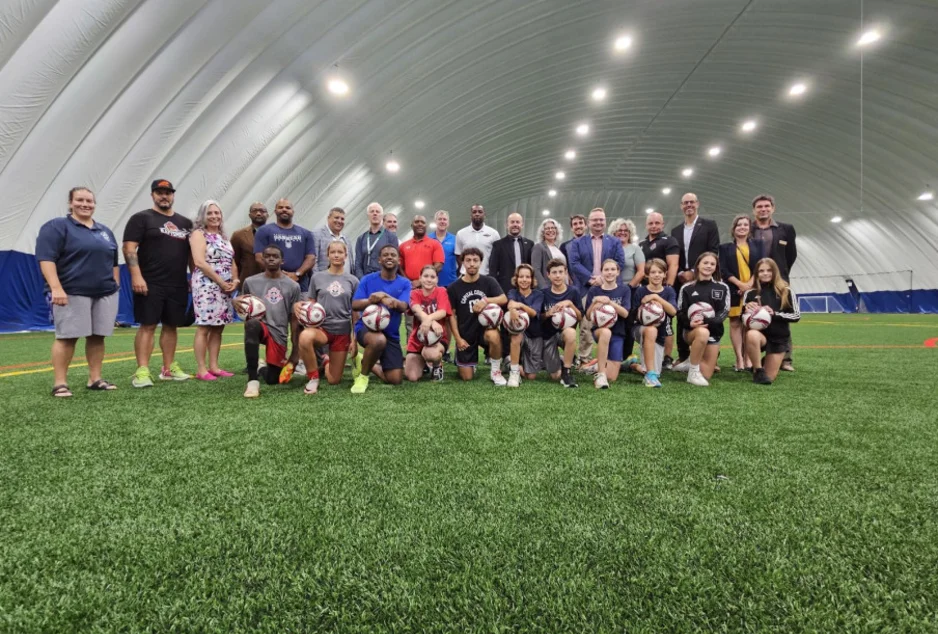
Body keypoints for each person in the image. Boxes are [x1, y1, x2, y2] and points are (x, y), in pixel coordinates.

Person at [37, 186, 120, 397]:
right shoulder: (57, 227)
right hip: (72, 291)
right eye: (80, 200)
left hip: (104, 292)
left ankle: (95, 379)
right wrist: (56, 288)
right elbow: (46, 259)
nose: (85, 204)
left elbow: (114, 262)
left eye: (89, 201)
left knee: (98, 337)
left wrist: (115, 286)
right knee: (67, 337)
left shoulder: (105, 231)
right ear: (70, 203)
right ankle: (60, 383)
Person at [123, 178, 194, 387]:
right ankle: (142, 370)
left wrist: (192, 277)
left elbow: (191, 254)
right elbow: (129, 249)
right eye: (159, 192)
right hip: (150, 282)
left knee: (172, 326)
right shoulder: (141, 219)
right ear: (152, 195)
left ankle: (168, 368)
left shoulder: (185, 223)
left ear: (173, 195)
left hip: (178, 284)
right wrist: (136, 276)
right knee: (148, 326)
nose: (164, 196)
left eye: (168, 192)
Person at [293, 240, 359, 393]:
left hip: (342, 332)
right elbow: (310, 304)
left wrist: (354, 340)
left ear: (346, 255)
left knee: (333, 380)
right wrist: (298, 305)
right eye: (333, 252)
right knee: (305, 337)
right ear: (328, 255)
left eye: (340, 252)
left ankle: (326, 360)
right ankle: (313, 378)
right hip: (322, 329)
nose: (336, 255)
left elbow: (355, 313)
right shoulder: (317, 278)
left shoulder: (353, 280)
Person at [240, 245, 302, 398]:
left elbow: (294, 321)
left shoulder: (293, 286)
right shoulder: (250, 282)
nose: (271, 259)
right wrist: (236, 301)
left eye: (275, 256)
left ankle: (261, 368)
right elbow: (244, 308)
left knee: (273, 379)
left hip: (278, 333)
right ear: (262, 259)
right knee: (252, 324)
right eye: (268, 256)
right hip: (260, 327)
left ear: (282, 260)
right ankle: (252, 381)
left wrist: (295, 353)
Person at [567, 208, 625, 373]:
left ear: (605, 221)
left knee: (610, 322)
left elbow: (620, 261)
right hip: (586, 288)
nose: (598, 222)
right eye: (594, 220)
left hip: (610, 288)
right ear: (588, 223)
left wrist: (606, 278)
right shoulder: (578, 242)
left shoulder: (614, 241)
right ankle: (584, 359)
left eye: (601, 219)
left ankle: (606, 358)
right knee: (586, 325)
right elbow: (574, 264)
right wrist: (592, 278)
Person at [350, 245, 411, 393]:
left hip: (391, 335)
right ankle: (363, 377)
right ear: (379, 260)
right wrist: (371, 300)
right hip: (366, 330)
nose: (389, 257)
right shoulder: (367, 279)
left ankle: (364, 361)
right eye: (385, 255)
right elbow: (355, 304)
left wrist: (387, 297)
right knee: (378, 340)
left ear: (398, 261)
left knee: (395, 379)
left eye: (393, 255)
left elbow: (403, 306)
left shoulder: (404, 283)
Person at [190, 200, 238, 381]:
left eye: (217, 213)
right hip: (206, 286)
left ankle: (214, 366)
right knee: (204, 327)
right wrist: (220, 282)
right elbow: (200, 262)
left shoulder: (224, 237)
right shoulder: (198, 234)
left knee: (218, 327)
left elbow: (232, 261)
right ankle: (202, 369)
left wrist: (235, 280)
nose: (214, 216)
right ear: (203, 216)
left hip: (225, 287)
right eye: (209, 213)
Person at [670, 193, 720, 367]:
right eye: (685, 203)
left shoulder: (709, 225)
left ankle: (711, 356)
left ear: (697, 204)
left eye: (691, 202)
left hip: (702, 278)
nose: (688, 205)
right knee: (682, 315)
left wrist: (694, 271)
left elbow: (713, 251)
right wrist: (681, 274)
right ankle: (683, 355)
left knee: (707, 313)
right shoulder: (675, 230)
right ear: (681, 206)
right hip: (681, 281)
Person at [446, 247, 508, 385]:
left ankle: (495, 371)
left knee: (494, 335)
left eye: (475, 260)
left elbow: (503, 298)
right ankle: (465, 361)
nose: (472, 264)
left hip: (485, 330)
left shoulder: (489, 281)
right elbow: (451, 316)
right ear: (462, 263)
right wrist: (458, 339)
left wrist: (486, 300)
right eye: (468, 260)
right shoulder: (453, 287)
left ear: (480, 263)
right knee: (467, 377)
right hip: (466, 333)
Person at [751, 194, 798, 372]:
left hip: (779, 280)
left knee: (782, 316)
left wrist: (779, 276)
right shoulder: (748, 229)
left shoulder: (786, 229)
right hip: (755, 281)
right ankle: (751, 357)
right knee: (751, 315)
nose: (763, 209)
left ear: (773, 208)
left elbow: (791, 255)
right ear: (754, 210)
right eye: (759, 207)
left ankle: (786, 358)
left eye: (766, 206)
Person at [675, 252, 730, 387]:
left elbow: (724, 311)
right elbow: (680, 312)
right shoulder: (687, 288)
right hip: (691, 331)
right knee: (702, 332)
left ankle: (691, 361)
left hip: (714, 332)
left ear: (716, 267)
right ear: (698, 265)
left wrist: (708, 320)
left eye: (712, 264)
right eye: (705, 263)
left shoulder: (722, 287)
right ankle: (693, 373)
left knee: (706, 375)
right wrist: (690, 323)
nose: (708, 266)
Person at [743, 258, 801, 385]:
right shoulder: (750, 293)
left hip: (778, 338)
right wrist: (747, 310)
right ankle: (758, 369)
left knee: (769, 377)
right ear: (756, 273)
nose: (765, 273)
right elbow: (743, 319)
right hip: (761, 336)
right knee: (751, 334)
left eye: (769, 270)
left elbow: (796, 316)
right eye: (761, 271)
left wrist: (773, 314)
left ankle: (765, 362)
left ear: (775, 272)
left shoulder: (786, 291)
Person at [639, 212, 680, 369]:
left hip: (662, 287)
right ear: (646, 225)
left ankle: (667, 357)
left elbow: (673, 264)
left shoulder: (669, 240)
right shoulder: (642, 244)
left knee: (666, 322)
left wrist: (667, 286)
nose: (654, 226)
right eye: (651, 223)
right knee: (648, 320)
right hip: (646, 288)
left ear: (662, 224)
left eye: (657, 223)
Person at [719, 215, 759, 371]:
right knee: (735, 323)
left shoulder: (758, 245)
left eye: (745, 225)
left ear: (749, 228)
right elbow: (723, 269)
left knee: (749, 323)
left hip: (753, 289)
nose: (742, 227)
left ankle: (748, 358)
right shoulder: (725, 248)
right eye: (739, 225)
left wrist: (749, 284)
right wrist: (740, 284)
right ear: (733, 228)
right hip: (734, 289)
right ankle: (739, 359)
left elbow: (761, 265)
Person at [584, 259, 631, 389]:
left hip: (618, 333)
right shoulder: (594, 290)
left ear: (618, 272)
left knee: (612, 377)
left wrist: (609, 303)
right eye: (606, 270)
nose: (609, 273)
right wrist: (594, 303)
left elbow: (625, 314)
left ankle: (595, 364)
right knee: (605, 331)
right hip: (599, 331)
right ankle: (600, 375)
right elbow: (588, 316)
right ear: (601, 272)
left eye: (612, 269)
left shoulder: (624, 290)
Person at [631, 259, 677, 388]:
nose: (656, 275)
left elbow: (673, 312)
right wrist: (645, 308)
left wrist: (656, 298)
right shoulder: (641, 291)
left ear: (665, 274)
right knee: (651, 330)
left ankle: (633, 365)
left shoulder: (669, 291)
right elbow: (634, 315)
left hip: (661, 333)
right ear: (647, 275)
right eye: (653, 272)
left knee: (657, 372)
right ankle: (649, 374)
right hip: (640, 329)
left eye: (660, 272)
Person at [253, 198, 316, 293]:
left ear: (293, 212)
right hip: (272, 281)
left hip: (299, 282)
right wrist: (279, 275)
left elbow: (311, 258)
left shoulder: (305, 233)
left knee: (300, 307)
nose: (284, 209)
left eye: (288, 208)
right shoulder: (263, 231)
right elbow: (259, 257)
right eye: (280, 207)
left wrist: (297, 274)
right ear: (275, 211)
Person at [399, 214, 445, 340]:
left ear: (426, 225)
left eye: (422, 222)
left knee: (430, 318)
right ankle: (411, 351)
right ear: (411, 225)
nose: (419, 224)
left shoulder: (434, 244)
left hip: (429, 290)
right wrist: (409, 282)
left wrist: (422, 281)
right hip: (411, 290)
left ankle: (432, 350)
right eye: (416, 222)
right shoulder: (403, 246)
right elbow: (399, 267)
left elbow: (439, 265)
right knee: (411, 322)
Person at [609, 217, 646, 369]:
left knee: (628, 324)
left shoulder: (635, 249)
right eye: (619, 230)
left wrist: (629, 287)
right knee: (612, 322)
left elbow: (641, 271)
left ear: (630, 233)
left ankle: (626, 357)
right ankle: (612, 357)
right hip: (611, 289)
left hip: (631, 289)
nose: (622, 233)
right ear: (614, 232)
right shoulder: (610, 248)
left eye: (626, 230)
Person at [405, 266, 452, 382]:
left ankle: (437, 366)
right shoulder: (414, 293)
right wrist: (432, 321)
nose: (429, 280)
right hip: (418, 338)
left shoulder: (441, 291)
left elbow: (442, 311)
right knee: (412, 377)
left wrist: (429, 320)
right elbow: (416, 309)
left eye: (432, 277)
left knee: (430, 353)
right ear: (420, 278)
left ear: (437, 279)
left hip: (437, 336)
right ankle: (423, 364)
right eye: (426, 276)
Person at [541, 258, 582, 388]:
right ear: (548, 275)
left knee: (570, 332)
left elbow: (580, 317)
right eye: (554, 272)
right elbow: (538, 318)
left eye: (560, 272)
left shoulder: (573, 291)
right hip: (548, 336)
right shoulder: (543, 293)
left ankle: (567, 372)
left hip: (564, 334)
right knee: (555, 375)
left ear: (565, 273)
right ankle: (562, 360)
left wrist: (570, 304)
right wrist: (548, 313)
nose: (557, 275)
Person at [505, 264, 545, 387]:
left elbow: (533, 313)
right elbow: (510, 302)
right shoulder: (513, 292)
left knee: (531, 376)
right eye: (521, 276)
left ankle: (509, 361)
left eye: (527, 277)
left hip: (534, 335)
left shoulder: (538, 294)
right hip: (520, 334)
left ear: (532, 279)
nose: (524, 280)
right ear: (516, 279)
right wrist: (512, 309)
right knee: (516, 335)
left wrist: (521, 306)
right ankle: (514, 371)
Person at [488, 212, 534, 294]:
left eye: (518, 222)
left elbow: (532, 267)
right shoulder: (498, 245)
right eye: (512, 222)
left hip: (526, 288)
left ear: (522, 225)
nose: (515, 224)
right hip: (505, 288)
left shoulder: (530, 244)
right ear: (506, 225)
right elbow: (493, 270)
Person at [353, 202, 399, 279]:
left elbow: (395, 262)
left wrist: (386, 279)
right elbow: (358, 263)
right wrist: (362, 280)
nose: (375, 214)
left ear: (381, 216)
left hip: (384, 279)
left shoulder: (391, 237)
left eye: (377, 212)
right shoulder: (361, 238)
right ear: (368, 215)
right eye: (372, 211)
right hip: (365, 279)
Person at [230, 202, 267, 291]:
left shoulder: (275, 234)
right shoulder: (238, 235)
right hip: (247, 284)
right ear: (250, 215)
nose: (258, 213)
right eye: (255, 211)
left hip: (271, 284)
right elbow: (234, 261)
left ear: (267, 215)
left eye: (262, 211)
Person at [454, 204, 500, 275]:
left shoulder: (494, 233)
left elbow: (498, 256)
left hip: (486, 275)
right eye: (474, 212)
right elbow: (458, 256)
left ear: (484, 215)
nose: (477, 214)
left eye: (480, 212)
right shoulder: (461, 233)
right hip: (466, 275)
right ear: (470, 215)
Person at [312, 207, 352, 274]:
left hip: (345, 281)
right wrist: (318, 281)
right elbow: (313, 261)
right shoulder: (317, 235)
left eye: (342, 219)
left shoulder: (346, 239)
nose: (339, 221)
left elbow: (351, 263)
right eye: (336, 218)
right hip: (325, 281)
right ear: (328, 218)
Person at [531, 218, 565, 288]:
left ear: (557, 231)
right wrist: (544, 288)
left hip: (562, 286)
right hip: (549, 288)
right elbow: (536, 270)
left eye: (553, 228)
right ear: (543, 233)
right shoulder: (538, 247)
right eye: (547, 228)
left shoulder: (557, 248)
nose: (550, 230)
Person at [431, 209, 458, 287]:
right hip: (432, 283)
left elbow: (460, 260)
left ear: (448, 223)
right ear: (435, 222)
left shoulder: (455, 239)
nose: (442, 221)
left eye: (444, 219)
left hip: (451, 283)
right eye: (439, 219)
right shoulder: (428, 239)